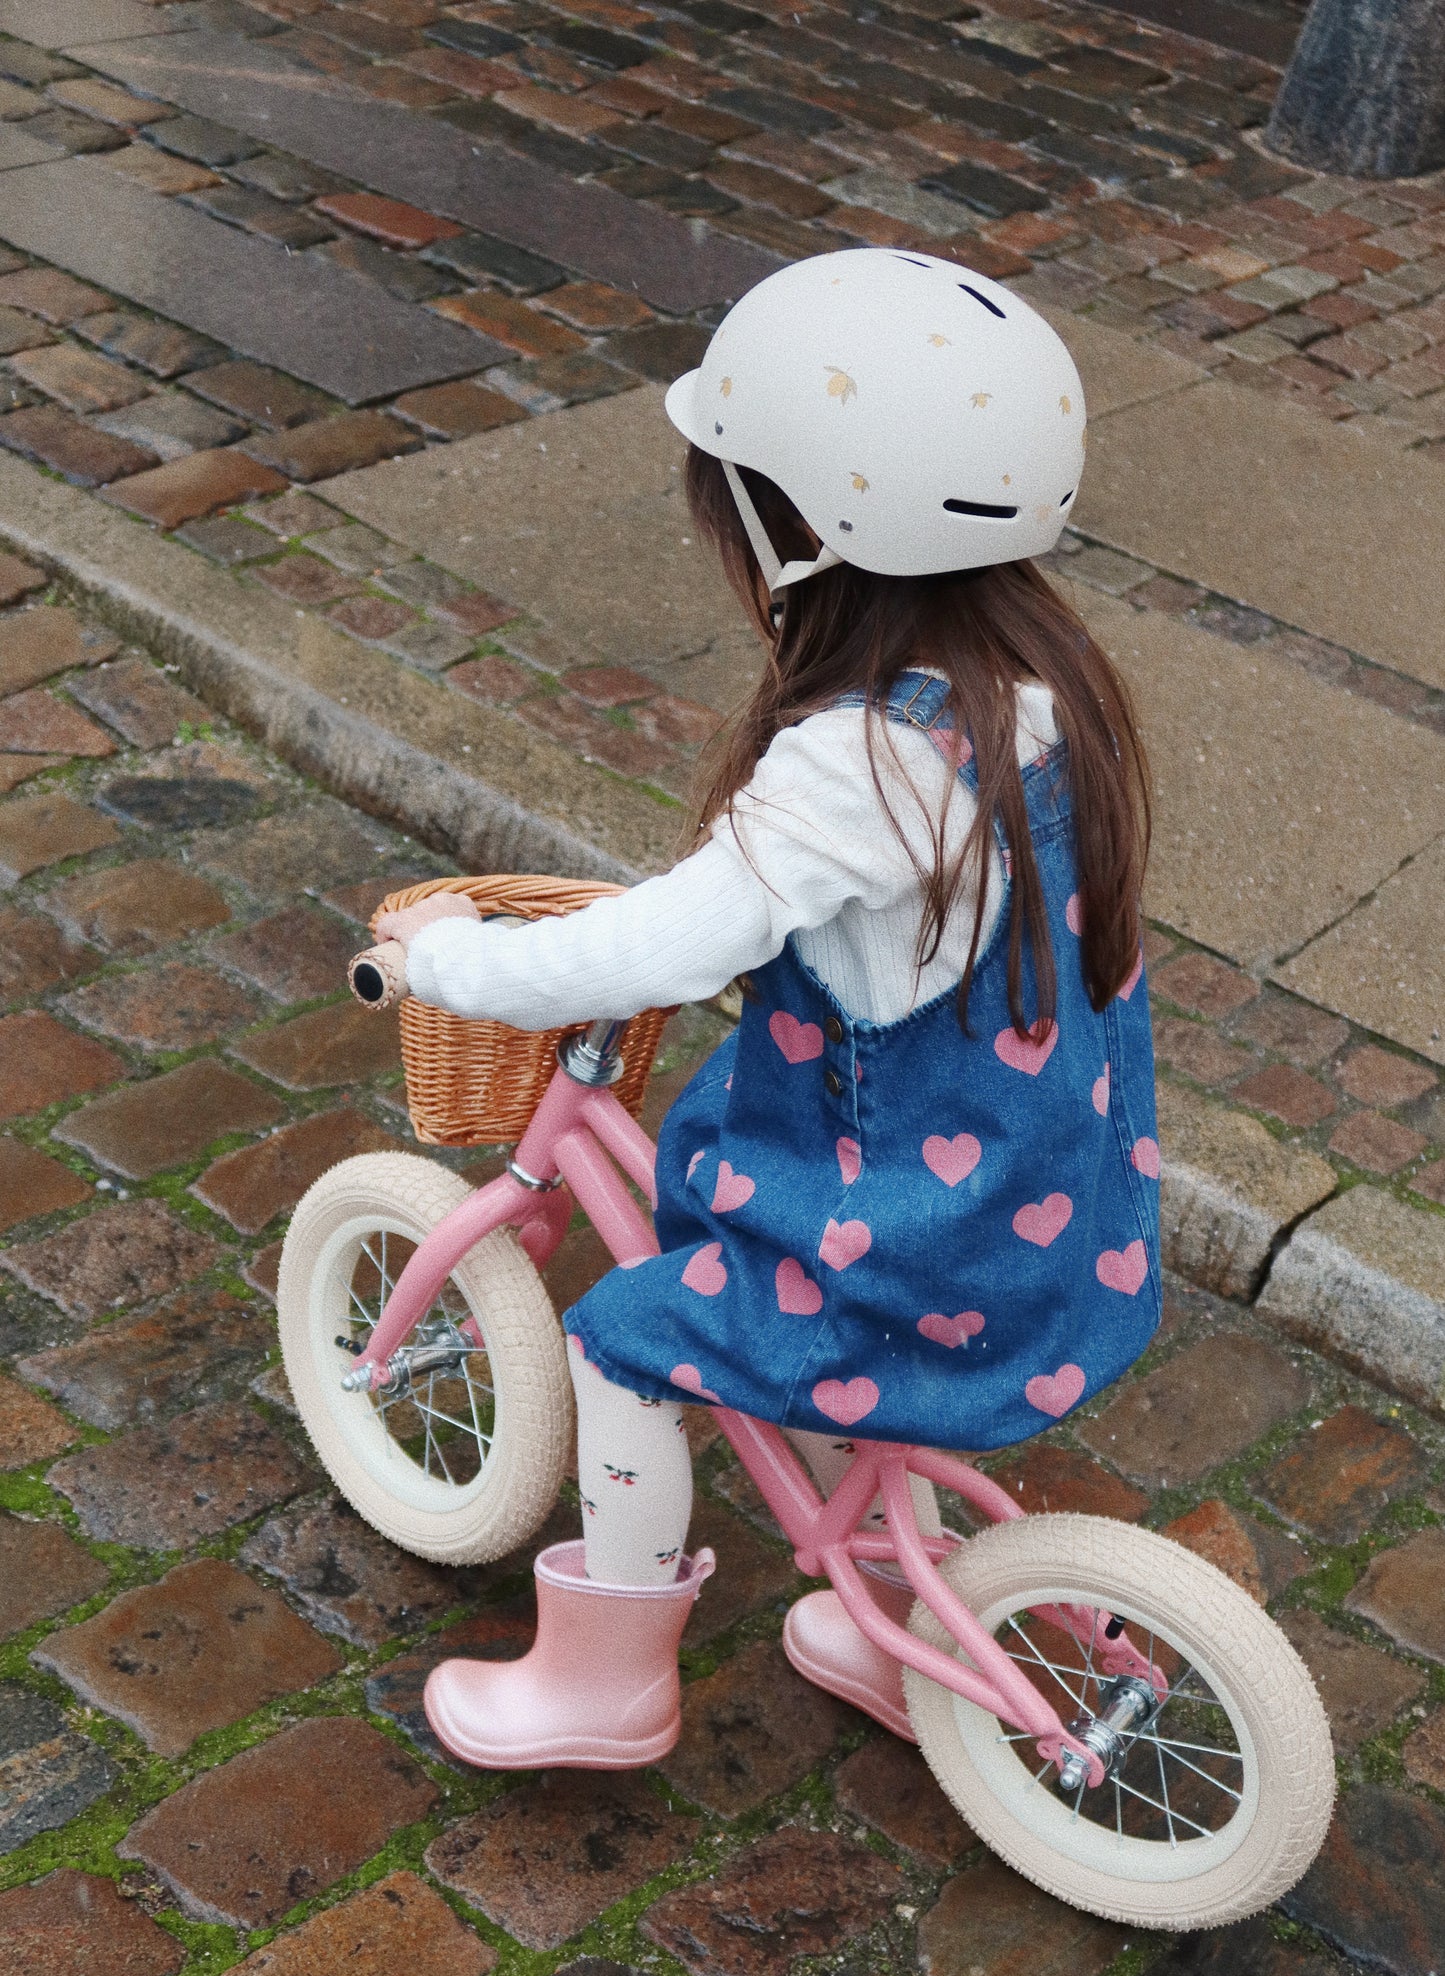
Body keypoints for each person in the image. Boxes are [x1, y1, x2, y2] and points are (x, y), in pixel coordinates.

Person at [376, 248, 1161, 1770]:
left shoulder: (849, 771)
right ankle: (908, 1629)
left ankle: (605, 1689)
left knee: (621, 1343)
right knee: (834, 1370)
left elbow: (654, 952)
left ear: (797, 525)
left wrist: (451, 960)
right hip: (1040, 1207)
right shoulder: (1042, 694)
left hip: (911, 1244)